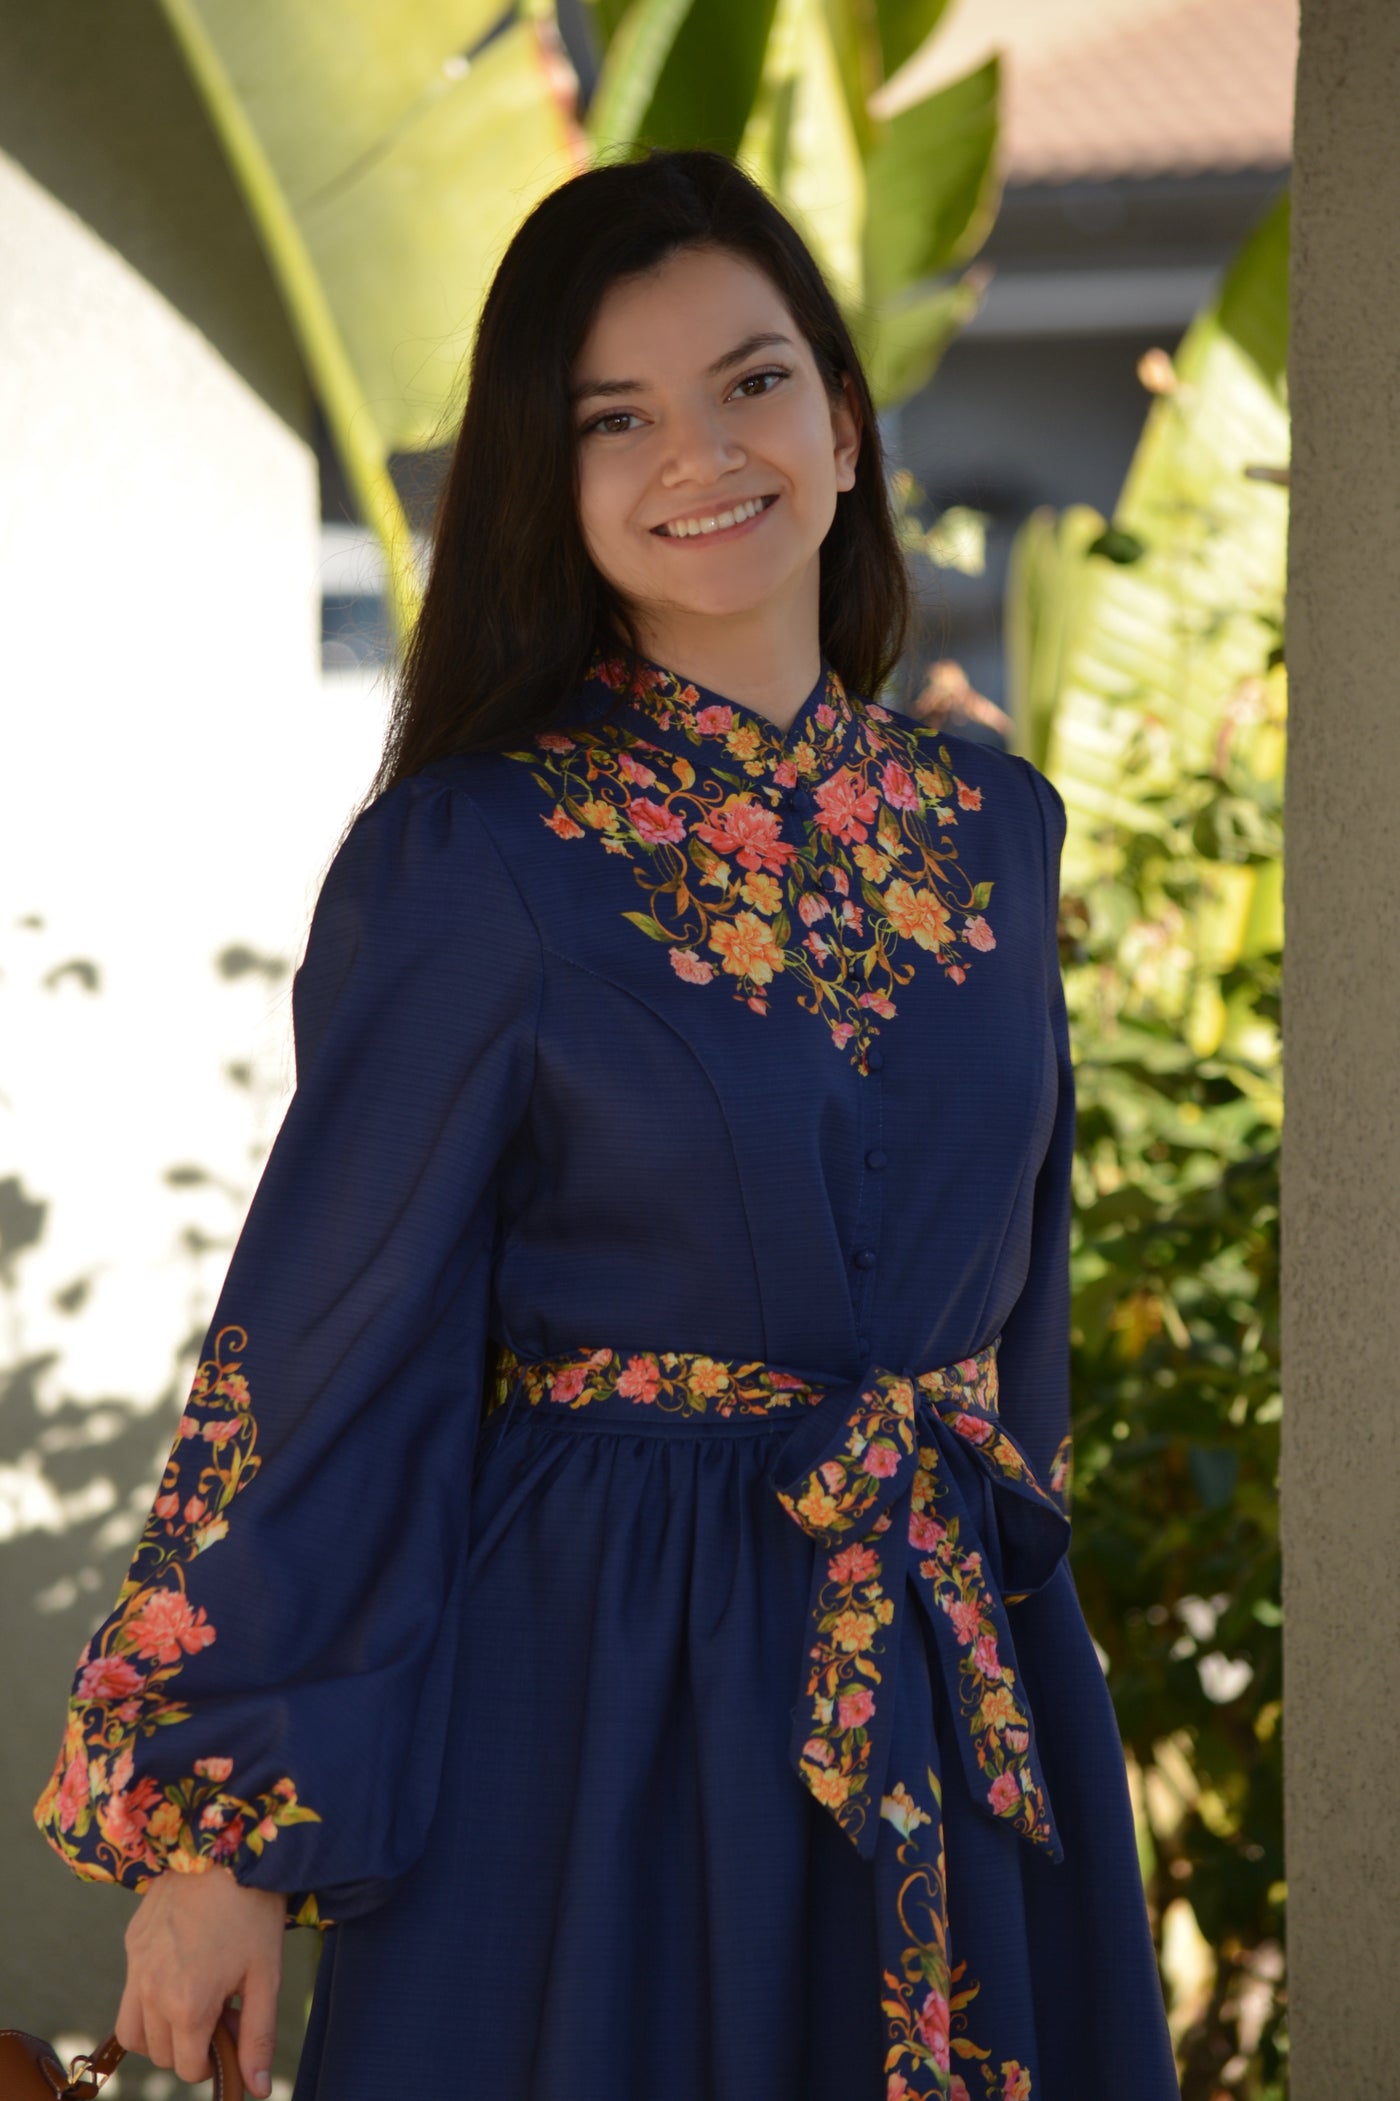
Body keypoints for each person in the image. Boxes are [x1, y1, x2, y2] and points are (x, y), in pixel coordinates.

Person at [33, 148, 1180, 2101]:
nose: (698, 455)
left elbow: (1019, 1322)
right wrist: (228, 1831)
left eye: (747, 382)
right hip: (601, 1706)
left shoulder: (995, 833)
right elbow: (331, 1351)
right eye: (615, 418)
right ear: (551, 484)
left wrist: (999, 1611)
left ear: (838, 415)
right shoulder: (474, 857)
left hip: (952, 1673)